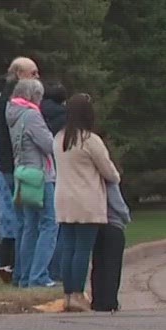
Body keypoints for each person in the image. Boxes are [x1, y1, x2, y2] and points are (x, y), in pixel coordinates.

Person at [50, 93, 119, 312]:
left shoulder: (59, 139)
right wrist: (116, 177)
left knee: (68, 247)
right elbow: (108, 170)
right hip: (87, 198)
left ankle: (69, 294)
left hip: (63, 196)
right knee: (82, 249)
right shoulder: (89, 140)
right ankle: (79, 294)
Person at [7, 76, 59, 290]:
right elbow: (48, 145)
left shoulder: (13, 113)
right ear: (32, 96)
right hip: (40, 174)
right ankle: (39, 275)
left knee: (29, 225)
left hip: (23, 172)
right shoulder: (32, 115)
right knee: (49, 224)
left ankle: (25, 275)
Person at [0, 59, 37, 278]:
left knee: (13, 214)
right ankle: (16, 264)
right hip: (16, 164)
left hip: (7, 163)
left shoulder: (2, 97)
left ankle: (10, 262)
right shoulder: (14, 100)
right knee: (23, 216)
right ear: (19, 73)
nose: (36, 77)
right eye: (32, 73)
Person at [90, 180, 132, 313]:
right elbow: (117, 204)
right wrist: (126, 216)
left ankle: (97, 300)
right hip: (113, 225)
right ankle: (110, 301)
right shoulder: (109, 181)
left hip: (97, 225)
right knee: (112, 266)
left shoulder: (91, 182)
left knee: (99, 264)